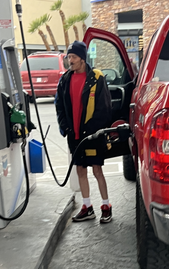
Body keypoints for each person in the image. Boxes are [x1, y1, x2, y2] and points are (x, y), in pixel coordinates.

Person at [55, 40, 113, 223]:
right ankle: (87, 207)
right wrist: (65, 127)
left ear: (82, 58)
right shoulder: (65, 80)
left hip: (92, 135)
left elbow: (105, 107)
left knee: (97, 170)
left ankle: (106, 206)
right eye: (68, 57)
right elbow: (59, 105)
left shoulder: (96, 77)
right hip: (75, 135)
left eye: (73, 57)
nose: (70, 61)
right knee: (80, 170)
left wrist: (94, 130)